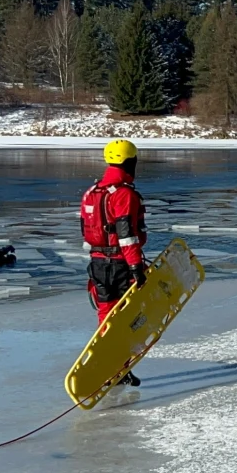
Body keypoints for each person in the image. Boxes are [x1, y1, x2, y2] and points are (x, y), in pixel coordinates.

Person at [80, 139, 148, 387]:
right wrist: (135, 267)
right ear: (130, 162)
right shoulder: (123, 194)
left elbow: (86, 229)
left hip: (97, 263)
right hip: (120, 264)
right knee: (126, 319)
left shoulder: (92, 192)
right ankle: (120, 367)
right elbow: (126, 234)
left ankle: (110, 365)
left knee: (106, 315)